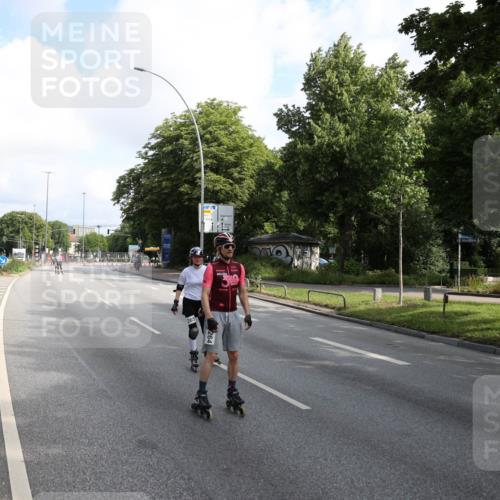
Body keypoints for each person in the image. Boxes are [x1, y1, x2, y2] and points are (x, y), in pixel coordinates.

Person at [191, 232, 252, 417]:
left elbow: (242, 292)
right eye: (227, 246)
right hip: (215, 313)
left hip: (233, 314)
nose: (231, 249)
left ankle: (232, 391)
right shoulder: (212, 268)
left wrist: (248, 313)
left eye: (233, 246)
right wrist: (209, 317)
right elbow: (204, 294)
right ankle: (201, 394)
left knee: (234, 354)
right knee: (211, 355)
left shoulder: (238, 267)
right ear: (219, 249)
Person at [172, 247, 206, 372]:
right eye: (195, 257)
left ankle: (210, 351)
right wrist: (175, 302)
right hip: (189, 303)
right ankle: (194, 354)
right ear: (192, 258)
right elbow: (180, 287)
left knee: (207, 330)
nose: (198, 259)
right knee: (194, 330)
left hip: (203, 303)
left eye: (200, 257)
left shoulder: (207, 270)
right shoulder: (186, 271)